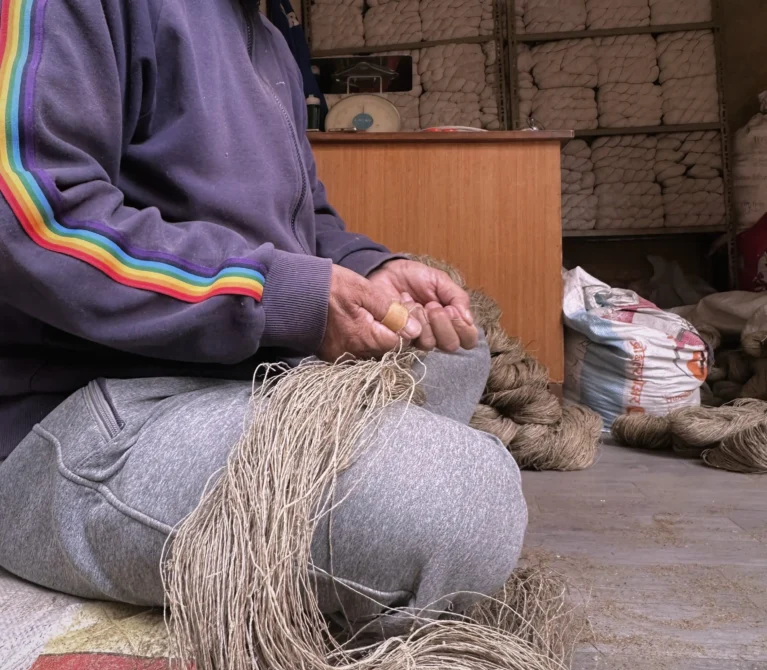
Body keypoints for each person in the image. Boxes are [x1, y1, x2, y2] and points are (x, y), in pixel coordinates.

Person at [0, 0, 526, 630]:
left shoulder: (265, 30)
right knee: (463, 504)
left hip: (238, 374)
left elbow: (306, 225)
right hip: (90, 411)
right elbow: (32, 217)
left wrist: (372, 268)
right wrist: (279, 295)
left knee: (453, 350)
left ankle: (366, 511)